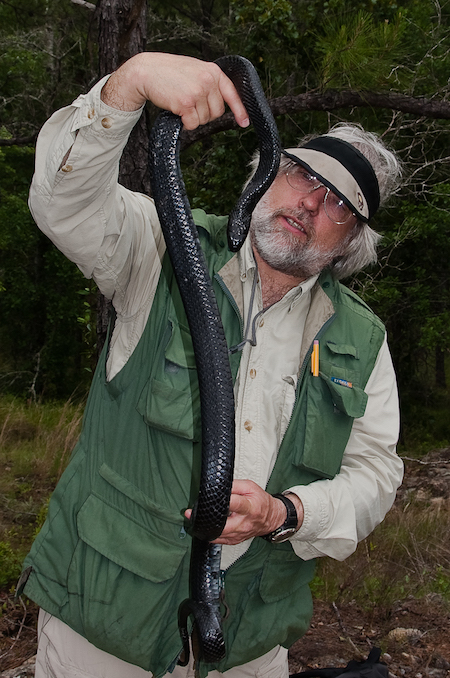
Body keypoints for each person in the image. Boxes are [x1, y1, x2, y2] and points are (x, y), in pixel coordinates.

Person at [20, 52, 403, 678]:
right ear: (268, 169)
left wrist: (287, 514)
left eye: (338, 203)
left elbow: (376, 476)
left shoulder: (362, 339)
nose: (309, 202)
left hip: (247, 641)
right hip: (102, 625)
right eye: (304, 175)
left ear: (353, 239)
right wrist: (129, 85)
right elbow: (62, 202)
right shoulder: (161, 247)